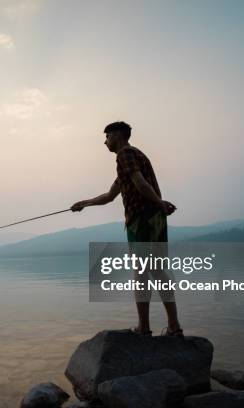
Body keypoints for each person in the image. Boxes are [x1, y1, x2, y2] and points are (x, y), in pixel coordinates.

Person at [70, 121, 183, 337]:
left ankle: (144, 328)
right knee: (158, 271)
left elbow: (140, 183)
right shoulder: (132, 159)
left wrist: (159, 203)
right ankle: (174, 327)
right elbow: (110, 196)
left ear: (118, 135)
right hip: (155, 219)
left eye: (107, 137)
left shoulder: (125, 154)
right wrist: (84, 203)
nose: (105, 142)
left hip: (142, 219)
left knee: (141, 273)